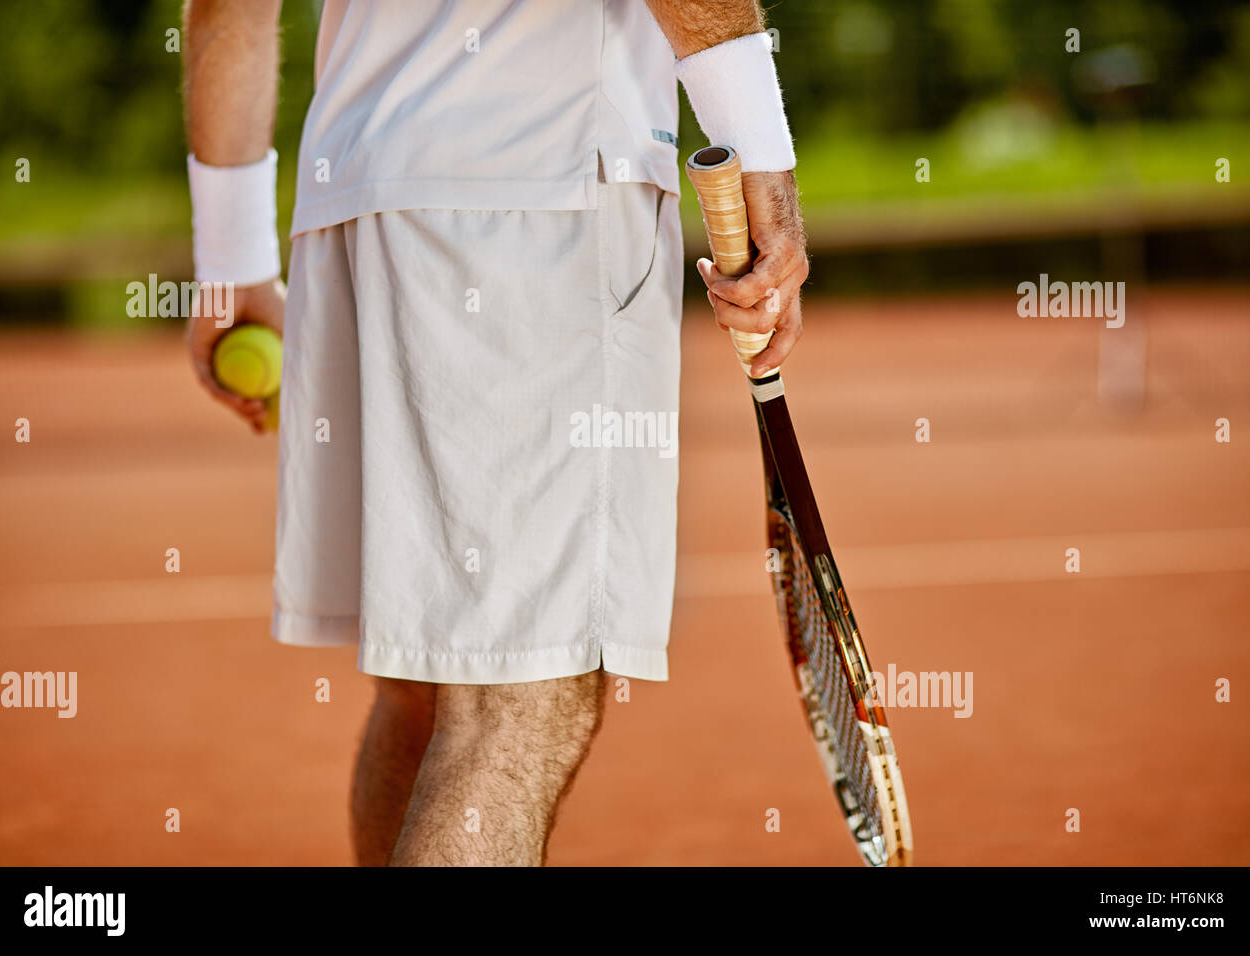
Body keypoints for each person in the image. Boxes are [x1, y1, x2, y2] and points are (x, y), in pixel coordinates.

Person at [182, 0, 808, 866]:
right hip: (537, 195)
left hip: (352, 193)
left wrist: (232, 258)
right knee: (515, 707)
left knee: (426, 693)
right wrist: (766, 179)